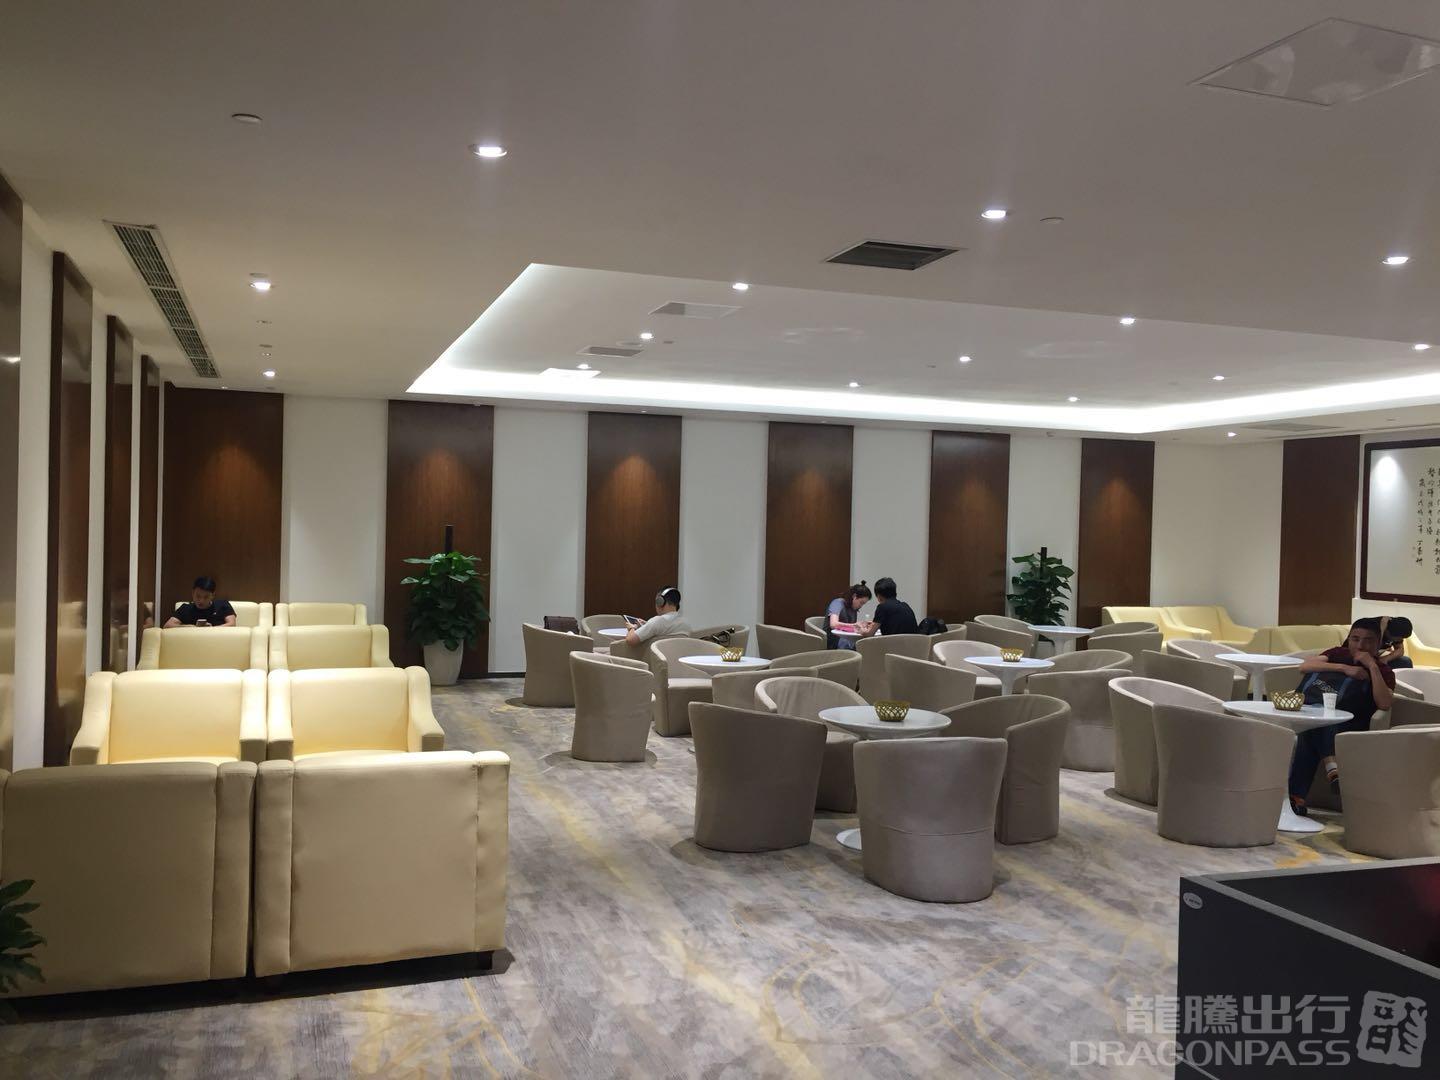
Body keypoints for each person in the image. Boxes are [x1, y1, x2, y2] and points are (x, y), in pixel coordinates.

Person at [1287, 617, 1394, 815]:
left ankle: (1296, 798)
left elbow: (1384, 703)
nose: (1360, 645)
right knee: (1316, 725)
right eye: (1355, 639)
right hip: (1319, 714)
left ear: (1378, 643)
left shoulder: (1384, 671)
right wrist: (1344, 668)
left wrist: (1372, 667)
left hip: (1351, 723)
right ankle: (1331, 767)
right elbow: (1305, 667)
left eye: (1368, 640)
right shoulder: (1337, 653)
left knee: (1312, 729)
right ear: (1349, 639)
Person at [624, 587, 691, 646]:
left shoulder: (657, 621)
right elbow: (664, 630)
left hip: (652, 656)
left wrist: (632, 628)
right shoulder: (685, 623)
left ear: (660, 602)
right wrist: (647, 624)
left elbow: (630, 640)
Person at [165, 576, 237, 627]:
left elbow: (232, 624)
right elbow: (167, 625)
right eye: (198, 596)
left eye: (206, 597)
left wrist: (211, 629)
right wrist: (191, 627)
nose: (201, 600)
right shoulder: (185, 608)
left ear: (213, 595)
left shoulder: (222, 605)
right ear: (193, 593)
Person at [824, 581, 872, 649]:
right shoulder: (837, 603)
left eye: (863, 604)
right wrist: (854, 625)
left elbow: (848, 628)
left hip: (844, 640)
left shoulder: (853, 609)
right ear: (854, 596)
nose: (861, 606)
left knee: (866, 643)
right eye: (861, 602)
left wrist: (862, 626)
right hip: (832, 640)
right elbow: (833, 624)